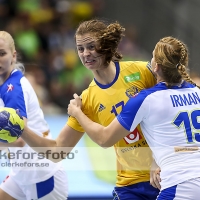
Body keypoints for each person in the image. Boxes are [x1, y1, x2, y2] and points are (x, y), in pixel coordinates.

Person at [18, 19, 160, 199]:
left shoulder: (141, 71)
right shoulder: (86, 100)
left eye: (92, 46)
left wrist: (160, 160)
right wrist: (21, 129)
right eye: (80, 48)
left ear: (106, 45)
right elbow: (58, 150)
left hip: (164, 174)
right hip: (130, 185)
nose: (86, 53)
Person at [67, 36, 200, 200]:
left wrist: (77, 113)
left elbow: (105, 138)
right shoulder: (197, 92)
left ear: (156, 66)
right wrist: (156, 160)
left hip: (180, 183)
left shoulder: (145, 99)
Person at [0, 31, 68, 200]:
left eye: (1, 54)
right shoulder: (5, 83)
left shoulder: (13, 89)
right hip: (21, 174)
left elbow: (17, 139)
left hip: (41, 177)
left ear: (13, 56)